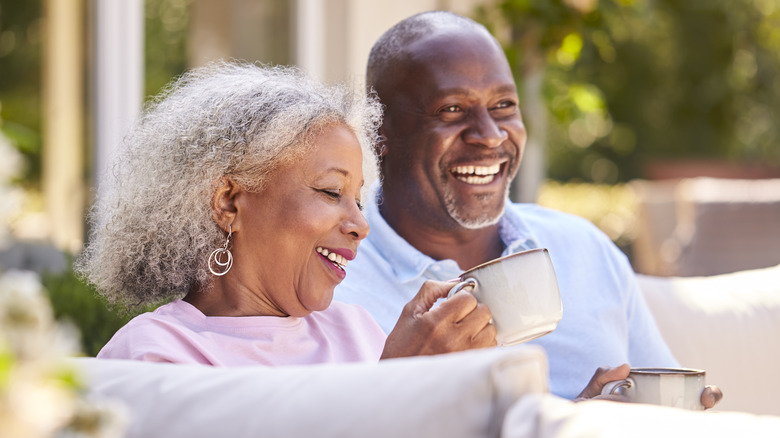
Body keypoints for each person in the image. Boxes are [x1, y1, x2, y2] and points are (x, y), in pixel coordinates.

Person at [334, 11, 721, 406]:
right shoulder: (331, 282)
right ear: (380, 131)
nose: (490, 135)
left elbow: (669, 407)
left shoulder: (583, 249)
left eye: (503, 105)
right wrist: (399, 384)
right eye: (452, 109)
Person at [76, 61, 496, 366]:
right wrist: (400, 381)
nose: (361, 225)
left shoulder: (355, 331)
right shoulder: (156, 353)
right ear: (228, 202)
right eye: (331, 192)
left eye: (358, 200)